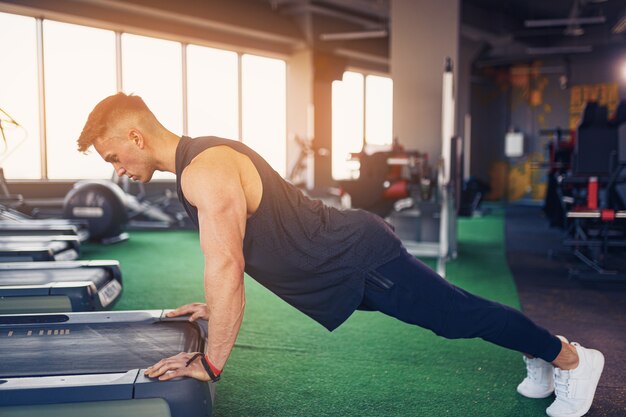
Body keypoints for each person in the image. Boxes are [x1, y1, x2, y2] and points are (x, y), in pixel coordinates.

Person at [77, 93, 604, 417]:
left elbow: (226, 264)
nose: (117, 169)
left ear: (135, 135)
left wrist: (211, 362)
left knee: (457, 316)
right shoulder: (200, 158)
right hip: (343, 265)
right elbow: (240, 252)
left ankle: (571, 359)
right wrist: (213, 308)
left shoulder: (203, 171)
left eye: (113, 156)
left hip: (358, 260)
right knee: (459, 311)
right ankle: (540, 350)